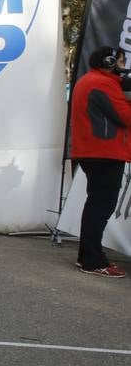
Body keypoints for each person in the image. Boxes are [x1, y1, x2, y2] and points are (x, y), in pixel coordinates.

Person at [69, 45, 131, 278]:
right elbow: (126, 117)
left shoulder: (91, 80)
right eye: (121, 62)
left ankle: (87, 256)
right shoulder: (104, 83)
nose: (123, 68)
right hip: (104, 152)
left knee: (96, 205)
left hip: (93, 151)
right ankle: (93, 260)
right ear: (109, 62)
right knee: (100, 207)